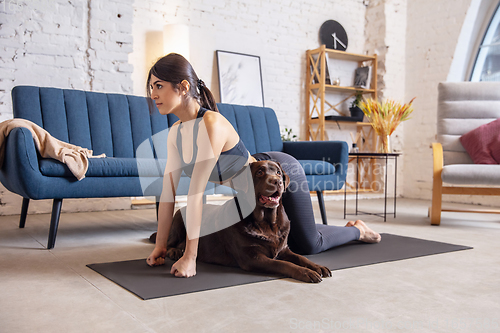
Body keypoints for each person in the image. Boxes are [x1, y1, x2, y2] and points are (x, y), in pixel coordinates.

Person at [146, 53, 381, 278]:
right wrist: (161, 246)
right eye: (152, 87)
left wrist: (190, 257)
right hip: (255, 193)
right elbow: (169, 194)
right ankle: (332, 227)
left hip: (276, 171)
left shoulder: (211, 124)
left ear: (184, 87)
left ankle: (358, 230)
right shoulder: (176, 133)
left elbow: (195, 194)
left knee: (309, 243)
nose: (153, 94)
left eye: (159, 86)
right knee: (288, 243)